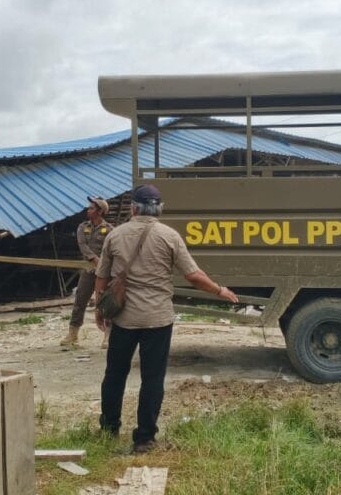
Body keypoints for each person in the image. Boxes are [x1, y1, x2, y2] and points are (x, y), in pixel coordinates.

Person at [94, 184, 238, 453]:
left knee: (114, 374)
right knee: (152, 378)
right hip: (157, 320)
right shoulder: (169, 236)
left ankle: (109, 429)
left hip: (123, 319)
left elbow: (102, 276)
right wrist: (220, 290)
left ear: (133, 208)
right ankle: (144, 439)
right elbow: (193, 276)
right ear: (159, 209)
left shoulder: (115, 236)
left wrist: (98, 309)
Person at [60, 196, 114, 347]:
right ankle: (73, 334)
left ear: (100, 211)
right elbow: (82, 245)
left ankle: (107, 335)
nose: (88, 210)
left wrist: (103, 264)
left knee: (105, 302)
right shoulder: (83, 227)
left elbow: (110, 248)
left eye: (91, 208)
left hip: (104, 272)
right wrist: (95, 260)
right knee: (80, 300)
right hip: (88, 270)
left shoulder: (109, 229)